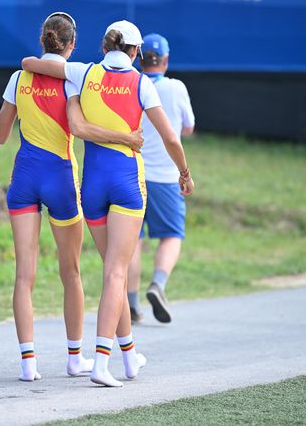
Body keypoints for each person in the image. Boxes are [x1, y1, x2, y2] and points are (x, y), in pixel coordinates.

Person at [22, 20, 194, 387]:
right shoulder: (142, 83)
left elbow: (33, 64)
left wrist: (33, 63)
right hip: (127, 183)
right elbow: (171, 138)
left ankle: (129, 355)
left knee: (112, 271)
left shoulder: (83, 73)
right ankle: (102, 363)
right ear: (135, 52)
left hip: (93, 187)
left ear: (103, 47)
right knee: (115, 273)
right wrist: (184, 172)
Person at [0, 12, 144, 381]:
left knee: (23, 276)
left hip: (24, 177)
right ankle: (75, 357)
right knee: (71, 272)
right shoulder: (75, 81)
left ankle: (28, 364)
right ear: (72, 44)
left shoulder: (18, 77)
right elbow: (78, 127)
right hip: (61, 179)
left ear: (42, 39)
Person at [127, 34, 195, 325]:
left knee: (132, 241)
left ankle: (131, 304)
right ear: (166, 61)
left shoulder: (131, 84)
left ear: (139, 59)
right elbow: (189, 128)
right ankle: (157, 285)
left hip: (132, 173)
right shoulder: (176, 87)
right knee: (170, 235)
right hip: (166, 177)